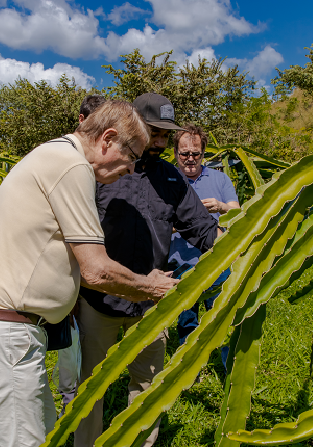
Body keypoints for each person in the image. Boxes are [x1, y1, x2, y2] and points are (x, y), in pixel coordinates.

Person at [0, 100, 179, 447]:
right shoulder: (71, 166)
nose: (133, 169)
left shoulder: (57, 156)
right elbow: (97, 270)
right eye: (132, 156)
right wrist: (150, 286)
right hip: (6, 330)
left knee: (45, 439)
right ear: (108, 139)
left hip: (13, 331)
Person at [75, 93, 220, 447]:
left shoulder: (172, 179)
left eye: (163, 136)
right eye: (152, 132)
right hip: (99, 300)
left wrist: (249, 241)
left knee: (147, 386)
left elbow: (202, 229)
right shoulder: (101, 171)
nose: (157, 142)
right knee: (90, 389)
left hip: (151, 302)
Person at [168, 124, 239, 367]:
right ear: (175, 152)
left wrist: (220, 206)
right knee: (186, 319)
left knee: (221, 317)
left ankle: (227, 367)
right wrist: (186, 223)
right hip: (179, 263)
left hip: (217, 262)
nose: (189, 159)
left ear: (204, 153)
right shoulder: (166, 180)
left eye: (195, 154)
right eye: (184, 153)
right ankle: (190, 366)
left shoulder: (220, 179)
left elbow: (240, 213)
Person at [56, 93, 107, 418]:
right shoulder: (68, 163)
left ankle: (74, 404)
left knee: (78, 347)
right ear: (81, 120)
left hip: (92, 274)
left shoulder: (98, 171)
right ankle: (67, 403)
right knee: (68, 346)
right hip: (69, 273)